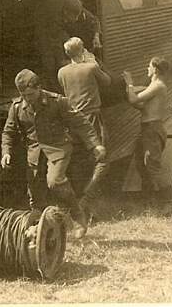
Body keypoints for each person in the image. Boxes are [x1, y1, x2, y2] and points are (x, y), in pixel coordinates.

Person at [1, 69, 106, 239]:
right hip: (34, 151)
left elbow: (81, 124)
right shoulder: (17, 107)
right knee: (35, 190)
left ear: (39, 88)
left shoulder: (57, 102)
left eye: (30, 94)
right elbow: (8, 131)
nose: (28, 99)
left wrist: (95, 145)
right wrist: (5, 152)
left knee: (55, 181)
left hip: (58, 148)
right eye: (24, 95)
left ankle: (77, 215)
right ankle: (40, 224)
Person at [58, 37, 111, 215]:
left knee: (78, 160)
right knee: (102, 160)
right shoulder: (91, 67)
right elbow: (107, 82)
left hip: (73, 120)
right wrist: (93, 61)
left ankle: (77, 202)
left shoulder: (62, 71)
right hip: (92, 117)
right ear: (82, 50)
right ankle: (86, 201)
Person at [122, 57, 172, 216]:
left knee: (152, 166)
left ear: (156, 70)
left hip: (152, 129)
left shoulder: (158, 85)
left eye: (149, 66)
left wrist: (129, 83)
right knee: (141, 164)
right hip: (147, 128)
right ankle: (149, 200)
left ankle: (169, 203)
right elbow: (140, 106)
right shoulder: (153, 86)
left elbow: (134, 99)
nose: (147, 68)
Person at [33, 0, 102, 93]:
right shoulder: (54, 16)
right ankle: (55, 89)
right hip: (44, 24)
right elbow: (57, 42)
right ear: (66, 12)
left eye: (78, 16)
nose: (76, 19)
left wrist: (96, 36)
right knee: (50, 60)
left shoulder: (78, 9)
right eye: (74, 17)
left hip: (60, 27)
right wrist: (66, 60)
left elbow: (94, 21)